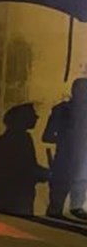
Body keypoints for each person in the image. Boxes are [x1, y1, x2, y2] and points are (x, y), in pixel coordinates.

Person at [0, 103, 47, 215]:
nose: (36, 117)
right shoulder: (21, 140)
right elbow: (26, 168)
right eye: (32, 114)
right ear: (23, 119)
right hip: (14, 196)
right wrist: (45, 174)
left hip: (5, 195)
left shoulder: (6, 139)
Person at [43, 78, 87, 219]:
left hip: (81, 159)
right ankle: (56, 211)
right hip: (64, 158)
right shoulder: (61, 110)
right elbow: (47, 136)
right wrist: (66, 139)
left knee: (79, 182)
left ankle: (73, 209)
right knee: (60, 187)